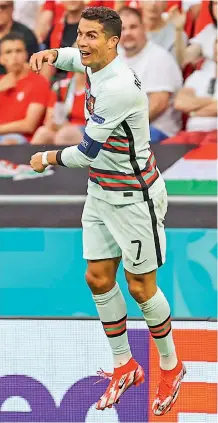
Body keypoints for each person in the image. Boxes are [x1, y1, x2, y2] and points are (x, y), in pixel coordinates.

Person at [29, 6, 186, 415]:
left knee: (140, 288)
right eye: (80, 34)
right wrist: (51, 55)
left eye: (91, 36)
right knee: (97, 278)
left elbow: (84, 154)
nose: (82, 42)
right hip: (101, 192)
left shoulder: (118, 86)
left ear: (113, 43)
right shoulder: (94, 62)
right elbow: (71, 56)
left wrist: (45, 157)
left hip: (135, 198)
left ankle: (170, 365)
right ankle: (125, 364)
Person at [119, 6, 183, 143]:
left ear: (144, 28)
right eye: (122, 29)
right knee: (69, 135)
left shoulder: (159, 57)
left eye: (133, 27)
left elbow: (159, 104)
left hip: (157, 131)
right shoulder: (116, 59)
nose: (127, 33)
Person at [164, 37, 217, 145]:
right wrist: (213, 102)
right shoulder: (197, 76)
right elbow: (180, 103)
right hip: (191, 136)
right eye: (217, 42)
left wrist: (193, 110)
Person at [0, 32, 50, 145]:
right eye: (8, 52)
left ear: (26, 55)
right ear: (1, 59)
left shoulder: (39, 82)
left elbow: (29, 125)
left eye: (18, 51)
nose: (14, 56)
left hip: (21, 140)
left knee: (9, 142)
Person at [31, 71, 86, 145]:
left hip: (86, 131)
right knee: (42, 133)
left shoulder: (99, 88)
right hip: (61, 127)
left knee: (65, 134)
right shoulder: (60, 86)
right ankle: (29, 157)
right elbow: (49, 119)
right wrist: (55, 123)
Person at [170, 0, 217, 71]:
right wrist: (179, 29)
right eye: (215, 3)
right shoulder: (209, 31)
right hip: (204, 79)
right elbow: (183, 59)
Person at [0, 1, 39, 74]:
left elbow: (32, 66)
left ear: (12, 8)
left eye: (3, 7)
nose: (0, 11)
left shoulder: (26, 35)